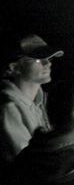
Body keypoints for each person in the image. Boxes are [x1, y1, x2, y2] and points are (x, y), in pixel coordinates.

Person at [0, 34, 62, 173]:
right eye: (39, 59)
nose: (48, 63)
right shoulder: (8, 108)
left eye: (49, 58)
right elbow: (28, 163)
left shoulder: (41, 100)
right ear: (14, 67)